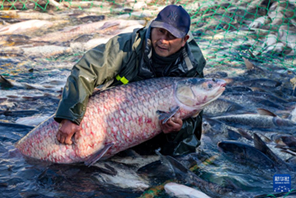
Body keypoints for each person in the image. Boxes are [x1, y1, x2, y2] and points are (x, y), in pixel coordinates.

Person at [54, 4, 206, 156]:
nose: (163, 40)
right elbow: (86, 69)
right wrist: (70, 116)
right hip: (114, 118)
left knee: (184, 151)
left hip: (158, 131)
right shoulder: (127, 45)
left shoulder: (192, 66)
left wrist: (179, 128)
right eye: (160, 31)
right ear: (152, 27)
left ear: (184, 40)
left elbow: (194, 121)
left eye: (171, 36)